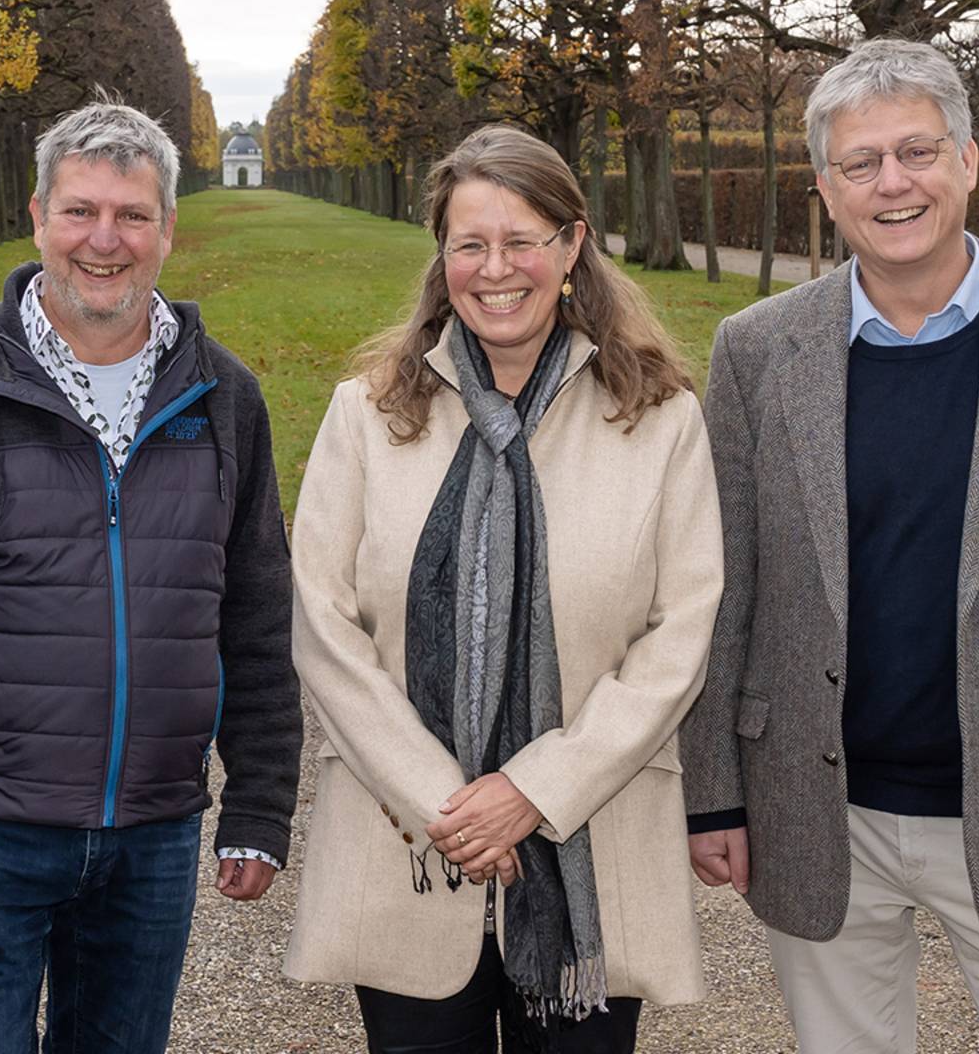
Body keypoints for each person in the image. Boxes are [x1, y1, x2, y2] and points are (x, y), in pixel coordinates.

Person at [0, 96, 301, 1054]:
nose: (106, 240)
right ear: (39, 218)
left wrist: (259, 800)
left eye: (132, 215)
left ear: (170, 229)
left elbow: (256, 612)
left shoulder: (226, 400)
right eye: (81, 211)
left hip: (155, 832)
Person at [681, 37, 979, 1052]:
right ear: (824, 189)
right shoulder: (755, 353)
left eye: (916, 151)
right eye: (860, 163)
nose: (893, 183)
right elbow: (722, 585)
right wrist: (710, 796)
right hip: (817, 807)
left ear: (967, 161)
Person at [284, 125, 725, 1053]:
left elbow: (679, 635)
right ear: (441, 259)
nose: (497, 269)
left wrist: (533, 789)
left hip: (589, 849)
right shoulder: (366, 415)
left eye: (522, 240)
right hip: (408, 847)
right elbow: (324, 627)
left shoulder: (660, 419)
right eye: (469, 245)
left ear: (571, 247)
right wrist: (448, 801)